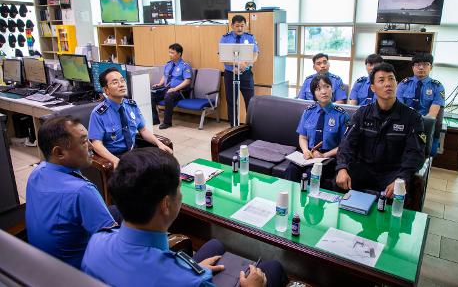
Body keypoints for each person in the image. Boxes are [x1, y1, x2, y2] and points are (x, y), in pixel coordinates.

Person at [82, 147, 288, 287]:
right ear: (165, 204)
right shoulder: (188, 281)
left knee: (215, 244)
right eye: (179, 189)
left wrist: (196, 269)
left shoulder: (96, 242)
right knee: (273, 268)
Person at [25, 116, 116, 268]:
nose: (91, 146)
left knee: (118, 210)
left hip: (42, 264)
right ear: (59, 152)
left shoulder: (37, 172)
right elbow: (114, 248)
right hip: (77, 274)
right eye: (83, 141)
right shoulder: (81, 191)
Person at [335, 63, 426, 198]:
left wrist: (401, 179)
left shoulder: (412, 118)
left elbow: (415, 153)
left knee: (401, 193)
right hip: (363, 169)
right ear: (373, 88)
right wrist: (342, 168)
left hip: (393, 173)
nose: (387, 84)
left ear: (397, 83)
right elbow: (347, 144)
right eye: (381, 80)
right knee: (339, 183)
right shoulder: (362, 113)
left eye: (391, 79)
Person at [89, 67, 172, 169]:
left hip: (133, 151)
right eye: (115, 82)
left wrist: (159, 143)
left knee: (163, 162)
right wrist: (114, 160)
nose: (121, 84)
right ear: (106, 90)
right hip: (116, 155)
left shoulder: (131, 105)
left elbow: (143, 130)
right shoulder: (99, 114)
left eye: (122, 80)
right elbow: (96, 144)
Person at [285, 74, 349, 189]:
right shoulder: (308, 111)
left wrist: (323, 155)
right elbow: (303, 137)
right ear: (313, 93)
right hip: (309, 154)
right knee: (291, 170)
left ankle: (310, 205)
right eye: (318, 89)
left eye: (327, 86)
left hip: (328, 157)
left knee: (312, 173)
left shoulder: (341, 115)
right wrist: (305, 150)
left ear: (332, 89)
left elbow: (343, 146)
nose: (323, 91)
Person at [396, 53, 445, 154]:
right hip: (405, 124)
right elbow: (399, 109)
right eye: (417, 64)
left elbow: (432, 114)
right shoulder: (403, 84)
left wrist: (418, 127)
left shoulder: (437, 87)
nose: (421, 67)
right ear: (413, 67)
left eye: (425, 64)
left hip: (425, 126)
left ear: (430, 67)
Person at [220, 15, 259, 127]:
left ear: (245, 25)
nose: (240, 28)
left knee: (251, 102)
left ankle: (251, 127)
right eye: (237, 26)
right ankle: (233, 127)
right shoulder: (225, 38)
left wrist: (245, 64)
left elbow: (255, 55)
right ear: (232, 26)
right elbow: (223, 58)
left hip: (246, 74)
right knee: (231, 102)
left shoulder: (250, 37)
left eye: (242, 25)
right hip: (230, 74)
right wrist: (236, 64)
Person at [151, 43, 193, 129]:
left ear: (179, 54)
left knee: (168, 96)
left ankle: (167, 122)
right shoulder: (168, 64)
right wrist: (159, 84)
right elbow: (165, 76)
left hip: (180, 91)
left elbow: (187, 81)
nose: (170, 55)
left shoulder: (185, 66)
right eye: (169, 52)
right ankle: (155, 119)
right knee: (152, 95)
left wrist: (175, 89)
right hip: (167, 89)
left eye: (172, 53)